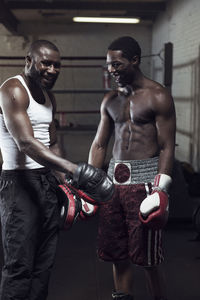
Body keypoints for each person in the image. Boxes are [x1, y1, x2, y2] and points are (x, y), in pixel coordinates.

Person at [0, 39, 114, 300]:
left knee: (43, 267)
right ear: (29, 61)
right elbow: (26, 142)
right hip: (19, 185)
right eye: (46, 63)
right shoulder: (12, 90)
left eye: (57, 65)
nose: (53, 70)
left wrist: (70, 185)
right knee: (19, 267)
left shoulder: (49, 97)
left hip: (47, 183)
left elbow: (52, 143)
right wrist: (77, 169)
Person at [88, 36, 176, 300]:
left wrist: (161, 190)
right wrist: (89, 184)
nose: (111, 70)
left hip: (145, 184)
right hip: (112, 186)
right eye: (109, 65)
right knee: (117, 254)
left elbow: (167, 147)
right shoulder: (109, 100)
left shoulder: (158, 96)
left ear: (135, 60)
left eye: (117, 64)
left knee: (148, 259)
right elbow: (100, 145)